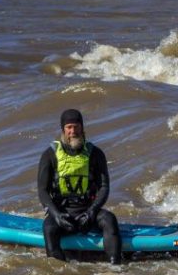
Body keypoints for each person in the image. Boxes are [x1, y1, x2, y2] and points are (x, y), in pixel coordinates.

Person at [37, 109, 122, 264]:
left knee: (110, 220)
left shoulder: (96, 154)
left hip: (88, 214)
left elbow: (104, 186)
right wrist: (56, 215)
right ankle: (61, 271)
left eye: (76, 126)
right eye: (69, 127)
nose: (73, 131)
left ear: (82, 128)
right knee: (49, 228)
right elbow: (42, 190)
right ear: (63, 130)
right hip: (63, 215)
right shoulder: (49, 155)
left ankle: (115, 268)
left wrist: (92, 212)